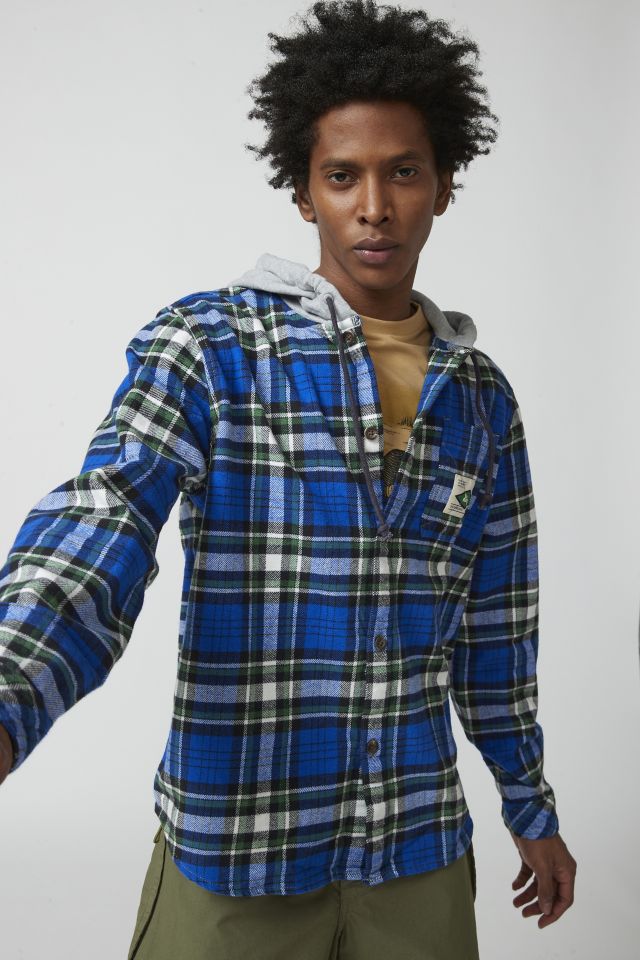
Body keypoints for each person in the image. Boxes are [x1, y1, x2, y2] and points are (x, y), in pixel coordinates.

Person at [0, 1, 576, 957]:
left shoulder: (481, 400)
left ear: (444, 185)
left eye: (404, 172)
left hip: (418, 852)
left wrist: (530, 804)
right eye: (342, 176)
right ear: (304, 194)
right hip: (238, 851)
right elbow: (104, 521)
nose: (375, 206)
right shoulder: (211, 345)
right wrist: (8, 693)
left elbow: (498, 633)